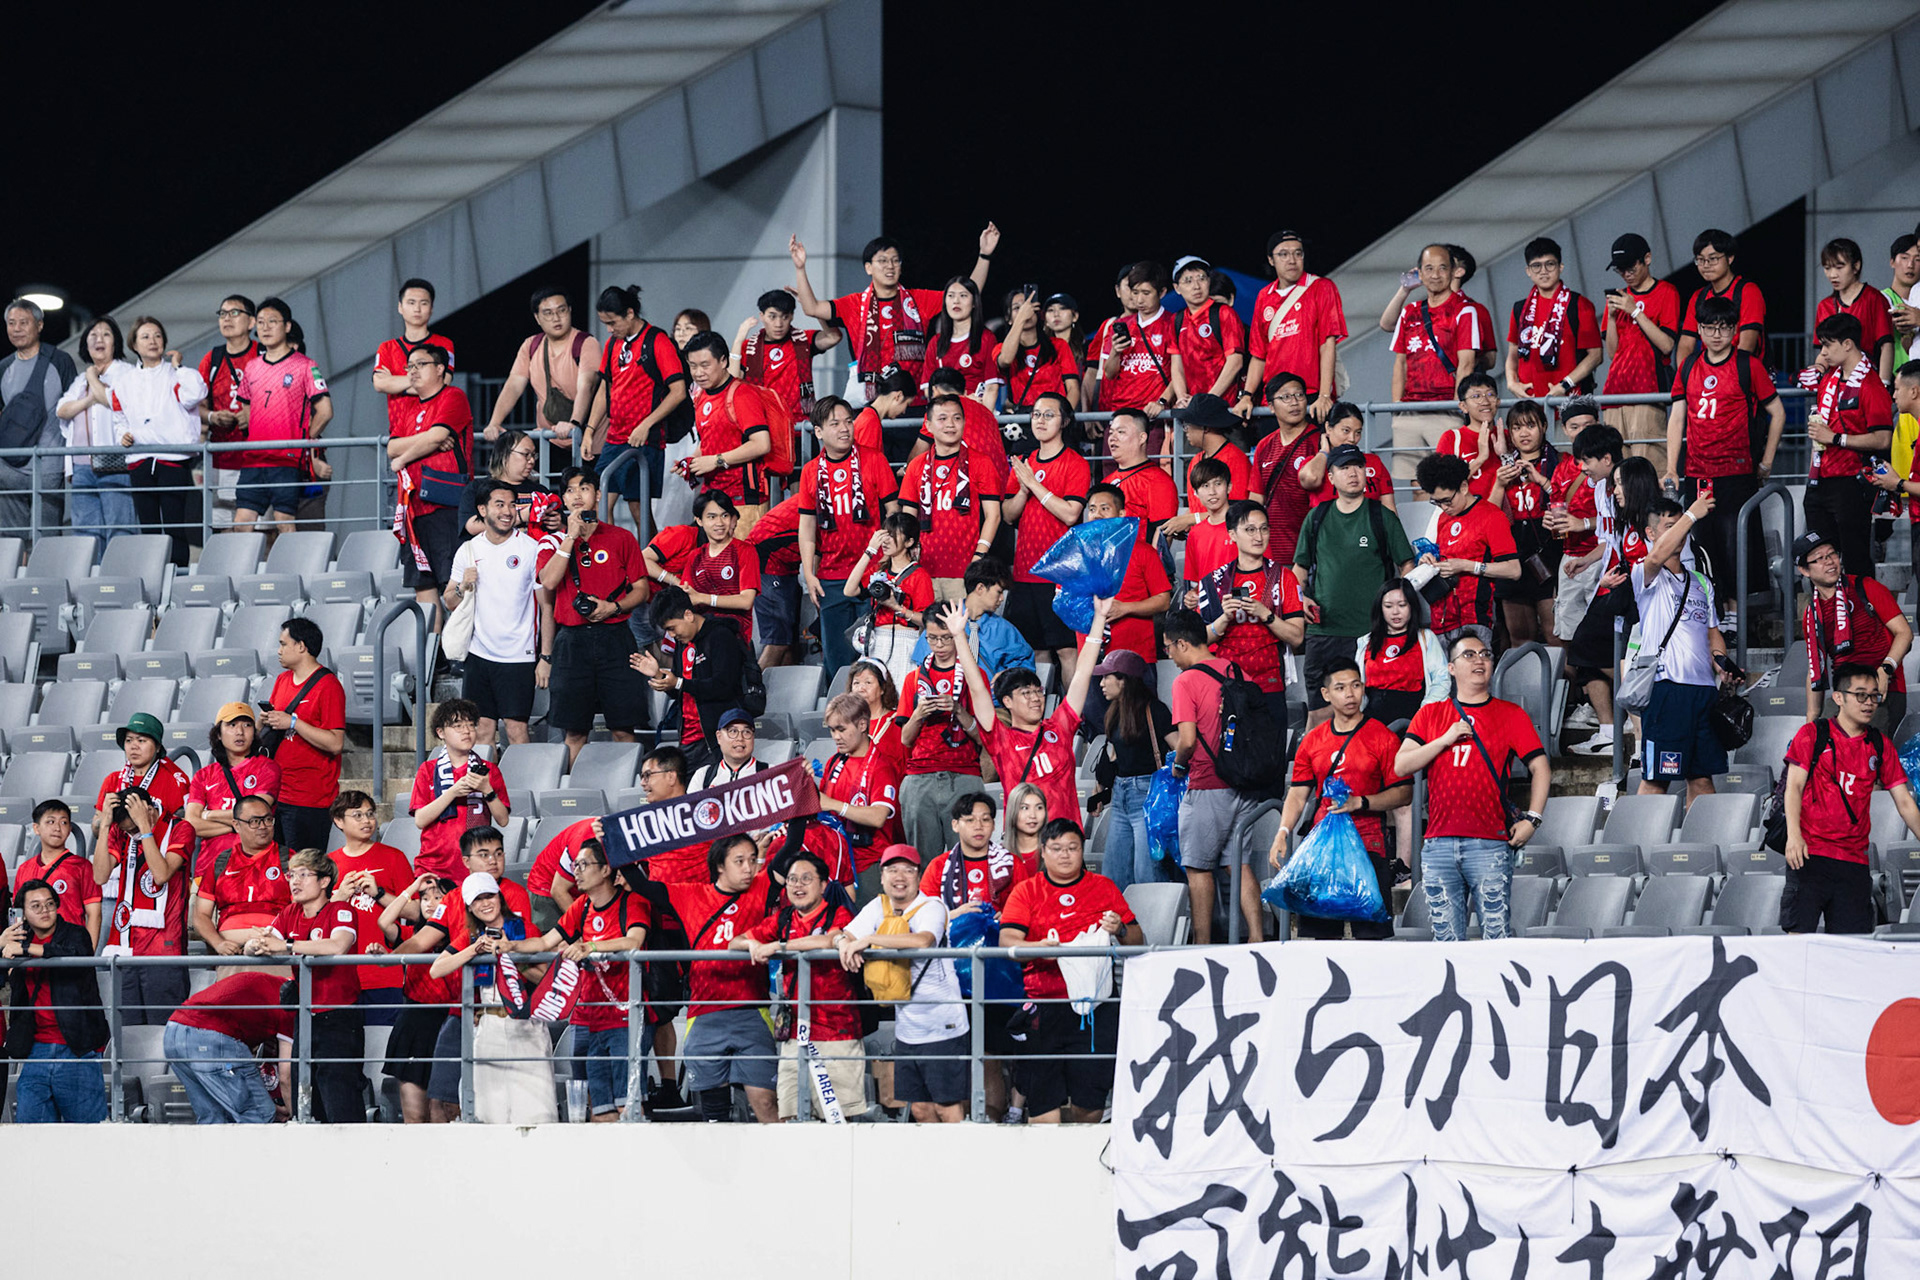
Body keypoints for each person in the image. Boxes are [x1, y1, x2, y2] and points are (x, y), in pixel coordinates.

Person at [1394, 635, 1551, 941]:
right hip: (1438, 843)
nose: (1479, 660)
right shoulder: (1431, 714)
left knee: (1496, 936)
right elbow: (1402, 765)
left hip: (1489, 843)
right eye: (1468, 655)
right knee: (1446, 942)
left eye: (1484, 654)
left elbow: (1541, 768)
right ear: (1451, 668)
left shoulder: (1510, 714)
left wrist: (1533, 819)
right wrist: (1443, 740)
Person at [998, 819, 1139, 1123]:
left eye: (1072, 848)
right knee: (1042, 1109)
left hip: (1095, 1010)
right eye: (1057, 848)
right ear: (1043, 852)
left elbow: (1138, 939)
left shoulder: (1103, 887)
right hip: (1044, 1008)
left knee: (1089, 1105)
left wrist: (1121, 929)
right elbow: (1007, 940)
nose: (1065, 855)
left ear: (1082, 851)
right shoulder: (1026, 891)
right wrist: (1042, 948)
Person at [1269, 658, 1412, 939]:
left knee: (1372, 939)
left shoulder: (1382, 737)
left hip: (1369, 847)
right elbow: (1298, 793)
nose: (1350, 694)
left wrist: (1362, 802)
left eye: (1356, 686)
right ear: (1326, 694)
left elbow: (1403, 792)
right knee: (1322, 939)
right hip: (1323, 850)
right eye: (1341, 688)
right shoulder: (1312, 741)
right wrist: (1283, 831)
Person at [507, 839, 649, 1119]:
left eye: (584, 865)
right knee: (600, 1109)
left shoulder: (631, 902)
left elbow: (634, 940)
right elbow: (545, 941)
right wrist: (510, 946)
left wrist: (591, 947)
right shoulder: (582, 906)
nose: (577, 872)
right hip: (592, 1020)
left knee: (627, 1106)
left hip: (624, 1020)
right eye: (575, 866)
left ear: (606, 869)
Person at [1664, 294, 1784, 624]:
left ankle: (1734, 615)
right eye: (1709, 327)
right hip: (1698, 472)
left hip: (1736, 471)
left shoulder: (1748, 365)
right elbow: (1677, 419)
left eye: (1724, 327)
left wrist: (1766, 461)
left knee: (1736, 545)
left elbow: (1777, 412)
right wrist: (1671, 466)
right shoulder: (1688, 366)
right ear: (1698, 330)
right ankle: (1714, 615)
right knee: (1704, 547)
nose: (1716, 334)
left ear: (1734, 330)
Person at [1784, 662, 1920, 934]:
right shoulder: (1813, 734)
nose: (1869, 703)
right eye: (1860, 695)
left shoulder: (1880, 744)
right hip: (1810, 856)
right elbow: (1794, 787)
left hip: (1854, 863)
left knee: (1851, 948)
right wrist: (1794, 835)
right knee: (1797, 943)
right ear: (1839, 698)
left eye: (1874, 696)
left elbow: (1905, 802)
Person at [733, 848, 868, 1120]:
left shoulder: (839, 914)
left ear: (823, 884)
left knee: (839, 1120)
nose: (798, 885)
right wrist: (754, 945)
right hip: (795, 1035)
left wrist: (778, 946)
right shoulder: (783, 919)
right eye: (793, 879)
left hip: (837, 1033)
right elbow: (735, 942)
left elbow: (830, 939)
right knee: (789, 1118)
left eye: (806, 879)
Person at [838, 844, 966, 1122]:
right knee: (919, 1108)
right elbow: (845, 934)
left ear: (919, 877)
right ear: (881, 877)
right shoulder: (878, 906)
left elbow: (922, 941)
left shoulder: (932, 906)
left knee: (946, 1106)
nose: (900, 876)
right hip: (908, 1028)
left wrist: (871, 939)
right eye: (892, 870)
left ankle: (958, 1161)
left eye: (908, 870)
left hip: (942, 1025)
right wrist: (844, 945)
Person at [242, 849, 371, 1123]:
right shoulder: (290, 912)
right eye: (291, 875)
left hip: (339, 1016)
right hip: (306, 1016)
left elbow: (338, 945)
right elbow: (259, 945)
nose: (294, 881)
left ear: (324, 881)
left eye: (303, 874)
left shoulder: (341, 910)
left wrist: (285, 946)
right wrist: (256, 944)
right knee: (308, 1100)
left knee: (341, 1099)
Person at [1161, 610, 1266, 945]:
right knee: (1240, 863)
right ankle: (1257, 938)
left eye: (1169, 648)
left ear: (1181, 643)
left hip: (1207, 784)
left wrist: (1178, 765)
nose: (1170, 656)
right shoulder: (1237, 671)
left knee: (1198, 868)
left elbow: (1188, 741)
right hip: (1243, 781)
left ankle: (1202, 946)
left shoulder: (1185, 681)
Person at [1295, 444, 1416, 728]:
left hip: (1370, 633)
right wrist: (1300, 599)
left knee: (1367, 715)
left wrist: (1397, 609)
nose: (1353, 473)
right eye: (1345, 467)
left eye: (1359, 466)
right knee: (1319, 716)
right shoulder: (1317, 517)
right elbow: (1299, 569)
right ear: (1331, 477)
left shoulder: (1381, 517)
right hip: (1323, 631)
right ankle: (1319, 772)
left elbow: (1407, 566)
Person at [790, 226, 998, 391]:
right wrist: (800, 268)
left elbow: (968, 293)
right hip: (870, 401)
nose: (890, 266)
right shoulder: (853, 304)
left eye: (895, 261)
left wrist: (985, 256)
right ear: (868, 267)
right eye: (882, 261)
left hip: (914, 400)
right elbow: (812, 308)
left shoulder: (919, 299)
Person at [539, 466, 652, 767]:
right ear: (563, 498)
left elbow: (642, 589)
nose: (577, 495)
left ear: (598, 494)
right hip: (571, 641)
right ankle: (573, 800)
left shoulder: (621, 537)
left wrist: (613, 607)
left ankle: (630, 791)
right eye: (571, 490)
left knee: (624, 727)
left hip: (617, 636)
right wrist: (569, 537)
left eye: (584, 488)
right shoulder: (551, 542)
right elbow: (548, 582)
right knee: (574, 732)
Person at [425, 870, 556, 1125]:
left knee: (536, 1111)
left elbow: (544, 979)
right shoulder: (472, 936)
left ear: (500, 897)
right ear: (470, 908)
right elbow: (436, 969)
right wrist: (475, 950)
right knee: (488, 1112)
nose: (485, 904)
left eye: (489, 896)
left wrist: (511, 955)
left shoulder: (523, 927)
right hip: (488, 1026)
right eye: (477, 900)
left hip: (525, 1025)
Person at [664, 834, 778, 1123]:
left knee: (765, 1103)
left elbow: (789, 850)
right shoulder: (690, 895)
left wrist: (799, 799)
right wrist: (616, 841)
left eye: (753, 860)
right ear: (719, 866)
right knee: (713, 1113)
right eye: (739, 861)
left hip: (751, 1011)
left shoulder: (762, 887)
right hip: (705, 1014)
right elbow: (641, 886)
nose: (748, 868)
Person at [1632, 493, 1734, 805]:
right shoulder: (1644, 573)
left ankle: (1701, 851)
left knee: (1702, 780)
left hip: (1703, 691)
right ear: (1650, 534)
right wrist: (1691, 514)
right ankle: (1645, 850)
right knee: (1656, 781)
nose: (1679, 533)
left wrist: (1723, 664)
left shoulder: (1702, 582)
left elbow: (1712, 632)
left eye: (1681, 527)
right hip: (1667, 689)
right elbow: (1655, 557)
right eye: (1668, 526)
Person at [799, 388, 898, 675]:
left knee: (879, 657)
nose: (844, 429)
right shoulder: (810, 471)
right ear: (818, 432)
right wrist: (809, 573)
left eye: (848, 421)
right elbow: (807, 527)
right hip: (831, 575)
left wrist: (891, 557)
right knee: (837, 660)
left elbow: (893, 511)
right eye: (835, 423)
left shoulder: (874, 459)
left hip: (874, 570)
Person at [447, 480, 551, 746]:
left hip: (519, 656)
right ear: (482, 509)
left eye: (513, 505)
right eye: (500, 504)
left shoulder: (530, 548)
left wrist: (546, 656)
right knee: (481, 733)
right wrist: (462, 586)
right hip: (479, 655)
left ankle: (522, 788)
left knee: (517, 731)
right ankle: (488, 788)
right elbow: (449, 600)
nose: (508, 511)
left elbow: (546, 605)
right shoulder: (468, 549)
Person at [3, 879, 109, 1123]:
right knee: (31, 1136)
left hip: (77, 1049)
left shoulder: (75, 934)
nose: (45, 911)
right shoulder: (17, 939)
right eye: (36, 906)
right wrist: (2, 944)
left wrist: (29, 949)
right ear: (23, 913)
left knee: (87, 1136)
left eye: (50, 904)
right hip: (35, 1050)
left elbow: (76, 955)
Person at [584, 284, 688, 529]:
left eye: (612, 322)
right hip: (614, 438)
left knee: (638, 510)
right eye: (605, 324)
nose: (609, 329)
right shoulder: (612, 344)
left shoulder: (658, 340)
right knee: (598, 502)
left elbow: (679, 392)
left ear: (630, 313)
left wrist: (646, 424)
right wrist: (589, 430)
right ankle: (607, 560)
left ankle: (650, 561)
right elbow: (604, 390)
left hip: (645, 440)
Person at [1193, 502, 1305, 725]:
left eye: (1264, 529)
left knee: (1271, 757)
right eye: (1250, 529)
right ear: (1232, 534)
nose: (1259, 536)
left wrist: (1266, 615)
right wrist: (1224, 618)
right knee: (1231, 757)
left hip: (1270, 683)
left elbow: (1297, 637)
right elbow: (1199, 640)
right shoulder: (1213, 581)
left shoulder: (1284, 577)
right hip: (1227, 684)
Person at [1004, 391, 1090, 681]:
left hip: (1060, 574)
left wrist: (1032, 484)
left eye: (1048, 415)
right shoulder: (1024, 461)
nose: (1040, 420)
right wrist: (1023, 489)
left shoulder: (1075, 462)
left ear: (1064, 421)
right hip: (1025, 572)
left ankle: (1074, 720)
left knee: (1066, 649)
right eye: (1036, 414)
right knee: (1035, 650)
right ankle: (1039, 720)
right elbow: (1007, 513)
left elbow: (1070, 513)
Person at [91, 785, 194, 1023]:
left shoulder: (180, 828)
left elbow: (161, 874)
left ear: (149, 809)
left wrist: (145, 828)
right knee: (128, 1032)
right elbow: (99, 876)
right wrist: (105, 826)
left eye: (134, 828)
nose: (133, 834)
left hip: (163, 948)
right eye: (129, 830)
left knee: (162, 1029)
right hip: (125, 945)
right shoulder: (122, 831)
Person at [1805, 312, 1894, 579]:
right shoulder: (1829, 379)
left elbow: (1883, 438)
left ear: (1847, 344)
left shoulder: (1871, 384)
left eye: (1827, 345)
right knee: (1818, 561)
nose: (1823, 352)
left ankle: (1861, 618)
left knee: (1854, 561)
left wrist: (1835, 438)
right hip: (1820, 481)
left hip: (1851, 483)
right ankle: (1828, 617)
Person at [232, 296, 331, 537]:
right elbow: (245, 407)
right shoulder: (253, 366)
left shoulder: (305, 365)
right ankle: (241, 575)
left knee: (284, 521)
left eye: (272, 321)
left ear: (287, 326)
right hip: (254, 458)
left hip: (286, 460)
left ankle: (292, 573)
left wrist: (303, 440)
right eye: (261, 322)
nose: (265, 327)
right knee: (241, 522)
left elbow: (326, 411)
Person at [1794, 531, 1911, 731]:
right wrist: (1811, 719)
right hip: (1845, 693)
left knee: (1858, 749)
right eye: (1820, 559)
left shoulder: (1865, 587)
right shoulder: (1811, 614)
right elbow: (1815, 666)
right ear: (1805, 570)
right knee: (1821, 747)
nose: (1829, 562)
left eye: (1831, 554)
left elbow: (1904, 634)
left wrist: (1885, 669)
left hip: (1882, 687)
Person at [1080, 483, 1173, 735]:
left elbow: (1163, 600)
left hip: (1136, 658)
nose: (1096, 514)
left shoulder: (1142, 551)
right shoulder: (1077, 555)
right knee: (1101, 733)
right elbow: (1062, 604)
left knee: (1142, 730)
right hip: (1091, 657)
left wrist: (1126, 608)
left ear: (1121, 515)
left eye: (1104, 508)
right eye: (1091, 509)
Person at [387, 343, 472, 614]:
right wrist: (431, 440)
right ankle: (433, 656)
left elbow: (403, 450)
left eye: (420, 364)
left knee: (451, 583)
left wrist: (403, 458)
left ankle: (457, 654)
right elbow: (391, 446)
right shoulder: (408, 407)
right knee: (423, 587)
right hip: (413, 510)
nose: (413, 371)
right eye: (409, 366)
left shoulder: (453, 396)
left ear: (439, 368)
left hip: (445, 506)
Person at [894, 606, 985, 860]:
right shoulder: (914, 679)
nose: (939, 645)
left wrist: (958, 709)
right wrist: (918, 714)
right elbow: (905, 738)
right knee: (921, 865)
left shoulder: (974, 677)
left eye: (946, 637)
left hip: (964, 773)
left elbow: (984, 737)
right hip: (920, 777)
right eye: (932, 638)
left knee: (970, 859)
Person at [114, 317, 206, 563]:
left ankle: (177, 586)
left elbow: (195, 394)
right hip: (139, 460)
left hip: (173, 459)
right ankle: (152, 587)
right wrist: (122, 434)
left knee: (176, 528)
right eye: (145, 336)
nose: (152, 341)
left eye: (157, 335)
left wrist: (179, 367)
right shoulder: (124, 381)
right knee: (149, 529)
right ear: (134, 344)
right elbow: (118, 415)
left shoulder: (176, 374)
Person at [637, 585, 755, 774]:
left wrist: (678, 683)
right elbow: (680, 690)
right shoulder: (682, 643)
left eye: (672, 628)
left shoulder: (721, 636)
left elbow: (724, 686)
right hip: (687, 738)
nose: (672, 635)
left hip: (717, 738)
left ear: (688, 615)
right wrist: (659, 676)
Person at [1388, 245, 1480, 481]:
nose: (1436, 274)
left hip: (1446, 410)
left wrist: (1457, 406)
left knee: (1448, 480)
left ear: (1452, 272)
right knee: (1416, 483)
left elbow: (1466, 364)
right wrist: (1396, 408)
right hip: (1409, 411)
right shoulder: (1409, 311)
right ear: (1420, 272)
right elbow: (1400, 363)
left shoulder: (1465, 310)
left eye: (1442, 268)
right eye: (1429, 268)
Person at [898, 393, 1002, 600]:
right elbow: (907, 519)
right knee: (928, 631)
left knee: (964, 630)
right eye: (943, 418)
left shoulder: (981, 462)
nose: (951, 425)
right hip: (923, 570)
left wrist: (978, 557)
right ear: (928, 425)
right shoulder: (916, 466)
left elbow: (994, 516)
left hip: (964, 571)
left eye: (957, 418)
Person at [1087, 649, 1175, 893]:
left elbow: (1180, 747)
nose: (1101, 683)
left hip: (1147, 793)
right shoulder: (1114, 711)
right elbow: (1113, 755)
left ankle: (1157, 929)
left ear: (1124, 680)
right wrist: (1101, 790)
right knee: (1115, 873)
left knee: (1147, 873)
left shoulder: (1154, 710)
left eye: (1107, 677)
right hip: (1121, 796)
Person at [1413, 454, 1519, 648]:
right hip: (1440, 621)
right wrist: (1428, 560)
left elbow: (1513, 570)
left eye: (1447, 500)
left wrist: (1467, 566)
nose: (1444, 507)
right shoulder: (1443, 519)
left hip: (1474, 620)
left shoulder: (1491, 517)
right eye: (1437, 503)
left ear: (1463, 487)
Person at [328, 790, 417, 1023]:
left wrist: (379, 894)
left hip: (385, 972)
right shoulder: (329, 864)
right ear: (339, 821)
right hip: (340, 976)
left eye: (370, 814)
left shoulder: (393, 858)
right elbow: (311, 919)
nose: (367, 821)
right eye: (357, 815)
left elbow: (417, 912)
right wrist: (339, 898)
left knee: (384, 1047)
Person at [1238, 230, 1345, 422]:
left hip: (1311, 396)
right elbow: (1259, 355)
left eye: (1298, 253)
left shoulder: (1321, 287)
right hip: (1273, 398)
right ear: (1271, 260)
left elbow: (1327, 344)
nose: (1292, 260)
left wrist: (1324, 396)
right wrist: (1247, 395)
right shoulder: (1264, 296)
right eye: (1283, 254)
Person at [482, 286, 601, 456]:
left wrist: (573, 423)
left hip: (587, 439)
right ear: (537, 318)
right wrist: (494, 423)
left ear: (570, 311)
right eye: (548, 313)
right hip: (548, 439)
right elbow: (514, 386)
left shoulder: (586, 343)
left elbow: (586, 385)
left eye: (562, 310)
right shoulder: (531, 345)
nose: (556, 318)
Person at [1599, 233, 1682, 470]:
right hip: (1615, 392)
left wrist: (1635, 311)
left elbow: (1667, 345)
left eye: (1630, 267)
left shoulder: (1666, 292)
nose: (1626, 274)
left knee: (1648, 463)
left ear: (1647, 259)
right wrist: (1613, 318)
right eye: (1620, 270)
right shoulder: (1619, 298)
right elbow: (1613, 354)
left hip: (1648, 390)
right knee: (1616, 465)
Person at [165, 971, 293, 1124]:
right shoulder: (292, 1004)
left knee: (213, 1117)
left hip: (173, 1031)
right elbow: (286, 1074)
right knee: (259, 1116)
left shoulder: (270, 982)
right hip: (209, 1038)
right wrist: (294, 1113)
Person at [263, 617, 347, 851]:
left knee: (305, 869)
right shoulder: (282, 680)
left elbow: (335, 742)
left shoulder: (328, 685)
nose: (278, 651)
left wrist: (293, 722)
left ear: (301, 646)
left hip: (310, 798)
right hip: (277, 792)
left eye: (283, 644)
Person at [54, 316, 136, 544]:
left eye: (106, 334)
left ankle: (119, 579)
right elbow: (62, 409)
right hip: (81, 466)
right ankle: (92, 580)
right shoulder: (80, 380)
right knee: (86, 534)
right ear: (85, 344)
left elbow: (112, 400)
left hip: (115, 462)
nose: (99, 339)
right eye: (93, 335)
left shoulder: (126, 373)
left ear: (115, 343)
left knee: (119, 529)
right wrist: (90, 396)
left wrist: (93, 379)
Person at [0, 298, 78, 536]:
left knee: (47, 537)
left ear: (40, 325)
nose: (16, 329)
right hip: (8, 466)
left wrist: (71, 462)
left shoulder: (60, 361)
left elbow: (73, 409)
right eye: (11, 323)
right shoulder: (4, 367)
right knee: (11, 541)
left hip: (48, 465)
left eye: (24, 322)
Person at [813, 692, 905, 893]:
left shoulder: (881, 767)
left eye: (841, 729)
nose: (836, 736)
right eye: (832, 730)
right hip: (835, 862)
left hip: (869, 866)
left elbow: (879, 816)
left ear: (862, 725)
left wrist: (834, 805)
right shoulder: (835, 761)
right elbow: (821, 805)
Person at [409, 699, 510, 881]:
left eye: (471, 725)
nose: (467, 731)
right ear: (440, 732)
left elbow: (503, 820)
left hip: (476, 865)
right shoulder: (427, 770)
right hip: (434, 865)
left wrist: (487, 789)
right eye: (458, 726)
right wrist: (452, 793)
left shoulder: (488, 770)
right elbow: (420, 820)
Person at [682, 332, 772, 532]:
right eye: (692, 366)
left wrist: (715, 460)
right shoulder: (701, 396)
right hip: (711, 498)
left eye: (705, 365)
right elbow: (708, 440)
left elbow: (761, 443)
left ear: (723, 361)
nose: (698, 373)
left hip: (743, 500)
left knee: (743, 561)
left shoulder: (742, 394)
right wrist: (693, 462)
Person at [1487, 398, 1560, 644]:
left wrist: (1542, 480)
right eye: (1517, 428)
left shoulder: (1559, 462)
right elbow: (1490, 516)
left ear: (1544, 426)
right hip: (1512, 550)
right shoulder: (1502, 467)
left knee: (1555, 634)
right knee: (1519, 636)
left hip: (1549, 549)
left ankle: (1564, 683)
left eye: (1530, 425)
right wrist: (1499, 483)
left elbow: (1567, 503)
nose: (1524, 433)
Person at [192, 795, 292, 969]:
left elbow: (304, 909)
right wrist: (218, 944)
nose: (262, 827)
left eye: (268, 820)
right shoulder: (220, 862)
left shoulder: (290, 860)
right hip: (231, 950)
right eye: (254, 821)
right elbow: (200, 916)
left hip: (274, 947)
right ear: (236, 825)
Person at [185, 703, 281, 879]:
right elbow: (191, 823)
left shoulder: (267, 768)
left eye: (247, 725)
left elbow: (255, 814)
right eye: (231, 725)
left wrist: (208, 815)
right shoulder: (204, 775)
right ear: (219, 734)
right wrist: (239, 825)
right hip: (209, 870)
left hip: (253, 870)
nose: (240, 732)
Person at [732, 289, 842, 438]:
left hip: (800, 428)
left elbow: (834, 336)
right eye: (772, 317)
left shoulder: (803, 340)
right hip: (763, 429)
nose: (779, 323)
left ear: (792, 316)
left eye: (785, 317)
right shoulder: (748, 347)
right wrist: (739, 338)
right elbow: (732, 380)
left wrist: (812, 308)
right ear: (762, 316)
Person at [1096, 261, 1178, 455]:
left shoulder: (1173, 323)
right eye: (1135, 292)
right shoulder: (1120, 325)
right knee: (1113, 477)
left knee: (1149, 475)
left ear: (1163, 292)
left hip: (1152, 418)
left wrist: (1161, 402)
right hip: (1118, 416)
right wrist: (1115, 351)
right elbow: (1109, 373)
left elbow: (1181, 372)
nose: (1139, 299)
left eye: (1146, 293)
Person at [1503, 237, 1601, 399]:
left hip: (1570, 401)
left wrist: (1565, 384)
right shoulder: (1520, 308)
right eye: (1536, 266)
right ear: (1528, 271)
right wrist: (1511, 383)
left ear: (1560, 267)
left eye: (1550, 264)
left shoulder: (1578, 304)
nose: (1543, 271)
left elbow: (1596, 355)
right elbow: (1513, 353)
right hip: (1531, 405)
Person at [90, 711, 191, 868]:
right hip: (118, 865)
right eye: (129, 740)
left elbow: (183, 831)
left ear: (157, 747)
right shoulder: (114, 780)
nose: (134, 746)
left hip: (159, 864)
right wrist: (105, 821)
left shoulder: (174, 780)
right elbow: (96, 831)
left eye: (141, 740)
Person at [905, 556, 1032, 677]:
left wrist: (1006, 677)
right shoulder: (944, 619)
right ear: (980, 588)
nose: (1002, 598)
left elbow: (1025, 662)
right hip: (947, 693)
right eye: (999, 592)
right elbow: (922, 661)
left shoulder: (1004, 629)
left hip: (990, 697)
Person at [197, 294, 259, 531]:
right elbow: (198, 407)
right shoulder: (212, 359)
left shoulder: (263, 354)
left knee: (263, 531)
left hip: (259, 458)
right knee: (223, 530)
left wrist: (253, 415)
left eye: (235, 313)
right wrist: (213, 417)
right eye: (222, 314)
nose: (227, 319)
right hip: (222, 460)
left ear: (251, 322)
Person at [1249, 371, 1323, 562]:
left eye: (1299, 395)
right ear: (1271, 407)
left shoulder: (1320, 442)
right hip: (1272, 550)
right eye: (1286, 397)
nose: (1294, 402)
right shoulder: (1264, 446)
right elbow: (1256, 498)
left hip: (1311, 550)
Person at [844, 511, 932, 662]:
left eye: (892, 536)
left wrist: (897, 608)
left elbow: (927, 619)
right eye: (885, 535)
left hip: (905, 643)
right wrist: (870, 550)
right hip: (876, 641)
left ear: (909, 542)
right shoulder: (880, 570)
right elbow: (849, 590)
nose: (885, 541)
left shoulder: (919, 575)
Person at [371, 277, 455, 432]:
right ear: (400, 307)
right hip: (399, 434)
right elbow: (379, 384)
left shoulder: (443, 344)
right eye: (411, 302)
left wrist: (394, 383)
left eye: (424, 303)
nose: (417, 309)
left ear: (431, 308)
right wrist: (423, 381)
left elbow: (442, 386)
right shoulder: (387, 348)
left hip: (432, 431)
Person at [1676, 229, 1766, 366]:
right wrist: (1686, 375)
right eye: (1700, 259)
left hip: (1745, 375)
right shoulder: (1699, 297)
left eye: (1713, 259)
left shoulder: (1748, 291)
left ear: (1730, 258)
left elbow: (1747, 344)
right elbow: (1686, 344)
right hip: (1710, 376)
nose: (1706, 265)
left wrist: (1727, 376)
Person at [1812, 238, 1896, 384]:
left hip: (1867, 381)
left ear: (1856, 266)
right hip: (1836, 385)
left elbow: (1887, 345)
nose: (1832, 274)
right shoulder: (1824, 306)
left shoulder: (1874, 298)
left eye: (1839, 267)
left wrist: (1884, 383)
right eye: (1827, 268)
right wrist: (1816, 371)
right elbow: (1824, 351)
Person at [16, 801, 101, 944]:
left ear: (69, 829)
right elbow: (18, 915)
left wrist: (86, 956)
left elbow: (94, 914)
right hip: (32, 954)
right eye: (50, 822)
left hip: (69, 951)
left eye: (63, 823)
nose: (57, 828)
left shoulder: (83, 866)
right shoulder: (24, 869)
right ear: (36, 828)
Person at [1165, 257, 1246, 405]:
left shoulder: (1224, 313)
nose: (1196, 286)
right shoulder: (1177, 320)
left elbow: (1235, 362)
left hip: (1223, 406)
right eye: (1188, 281)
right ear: (1177, 288)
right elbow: (1177, 367)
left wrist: (1207, 399)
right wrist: (1182, 398)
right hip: (1193, 407)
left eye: (1201, 278)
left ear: (1209, 281)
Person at [458, 429, 562, 539]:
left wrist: (557, 523)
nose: (531, 460)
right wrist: (521, 516)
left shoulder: (540, 491)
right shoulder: (478, 487)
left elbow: (562, 527)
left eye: (533, 455)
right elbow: (471, 527)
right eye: (525, 454)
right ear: (504, 454)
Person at [997, 288, 1082, 411]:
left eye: (1029, 306)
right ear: (1008, 319)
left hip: (1054, 415)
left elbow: (1073, 388)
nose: (1025, 311)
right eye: (1017, 308)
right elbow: (1006, 359)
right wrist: (1021, 318)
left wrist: (1063, 417)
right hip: (1023, 419)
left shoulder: (1059, 345)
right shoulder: (1000, 348)